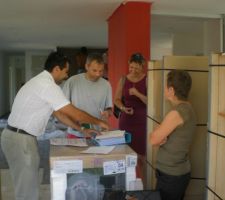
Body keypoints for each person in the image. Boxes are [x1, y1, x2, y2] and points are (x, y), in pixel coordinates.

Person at [1, 51, 108, 200]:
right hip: (20, 139)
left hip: (19, 137)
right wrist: (99, 122)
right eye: (65, 71)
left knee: (29, 184)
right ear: (57, 69)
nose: (66, 75)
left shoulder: (41, 82)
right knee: (26, 190)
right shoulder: (47, 86)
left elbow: (60, 114)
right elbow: (73, 112)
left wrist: (82, 129)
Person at [149, 70, 196, 200]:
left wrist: (158, 134)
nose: (164, 89)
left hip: (172, 176)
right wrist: (160, 134)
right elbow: (158, 137)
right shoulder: (186, 108)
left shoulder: (177, 113)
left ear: (171, 90)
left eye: (165, 86)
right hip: (175, 174)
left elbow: (153, 140)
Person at [114, 53, 147, 181]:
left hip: (141, 122)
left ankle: (144, 186)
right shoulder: (123, 79)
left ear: (142, 67)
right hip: (126, 120)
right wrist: (123, 108)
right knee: (125, 154)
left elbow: (150, 102)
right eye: (131, 67)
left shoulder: (147, 79)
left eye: (136, 68)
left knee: (141, 158)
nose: (133, 70)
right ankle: (127, 184)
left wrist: (138, 94)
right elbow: (116, 99)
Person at [63, 52, 112, 138]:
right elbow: (63, 108)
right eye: (94, 70)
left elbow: (109, 108)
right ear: (87, 66)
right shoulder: (72, 81)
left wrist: (107, 112)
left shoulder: (106, 84)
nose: (98, 74)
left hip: (97, 133)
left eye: (101, 71)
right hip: (76, 132)